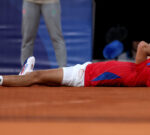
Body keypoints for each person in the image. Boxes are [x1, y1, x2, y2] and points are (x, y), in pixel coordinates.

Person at [1, 41, 150, 87]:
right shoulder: (145, 68)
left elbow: (143, 46)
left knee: (36, 76)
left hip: (84, 76)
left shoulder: (145, 72)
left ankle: (3, 79)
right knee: (42, 80)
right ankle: (25, 75)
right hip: (88, 69)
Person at [21, 0, 67, 67]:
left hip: (51, 2)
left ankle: (64, 71)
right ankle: (25, 72)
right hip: (29, 2)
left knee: (57, 38)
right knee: (27, 39)